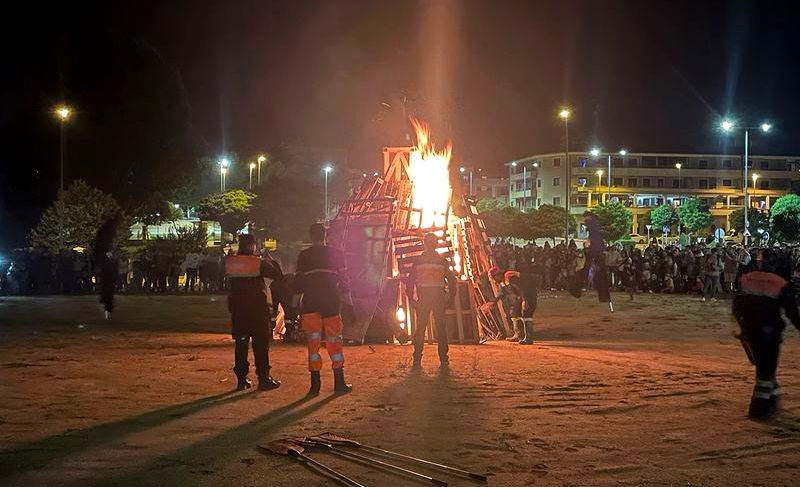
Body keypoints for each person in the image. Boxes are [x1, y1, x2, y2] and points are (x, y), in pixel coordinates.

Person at [733, 248, 800, 418]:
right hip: (770, 333)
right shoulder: (779, 283)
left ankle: (772, 401)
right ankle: (759, 408)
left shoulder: (746, 279)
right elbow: (791, 311)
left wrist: (743, 328)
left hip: (751, 332)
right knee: (765, 372)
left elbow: (736, 307)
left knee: (764, 369)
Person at [295, 223, 353, 395]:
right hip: (331, 302)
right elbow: (343, 280)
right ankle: (339, 383)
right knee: (334, 342)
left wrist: (294, 304)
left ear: (311, 236)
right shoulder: (336, 254)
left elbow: (298, 283)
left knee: (313, 344)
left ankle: (315, 386)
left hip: (311, 303)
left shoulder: (304, 256)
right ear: (325, 236)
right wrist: (349, 302)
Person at [225, 234, 283, 391]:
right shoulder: (258, 263)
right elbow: (277, 275)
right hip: (257, 308)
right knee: (260, 343)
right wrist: (269, 260)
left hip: (238, 309)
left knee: (241, 344)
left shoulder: (231, 263)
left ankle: (241, 379)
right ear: (252, 246)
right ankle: (263, 378)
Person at [408, 233, 457, 366]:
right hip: (438, 298)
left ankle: (417, 358)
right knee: (441, 328)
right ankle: (444, 358)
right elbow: (452, 280)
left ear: (424, 244)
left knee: (420, 328)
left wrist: (411, 299)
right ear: (436, 244)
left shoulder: (418, 261)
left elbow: (410, 281)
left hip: (423, 298)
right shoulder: (442, 261)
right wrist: (451, 297)